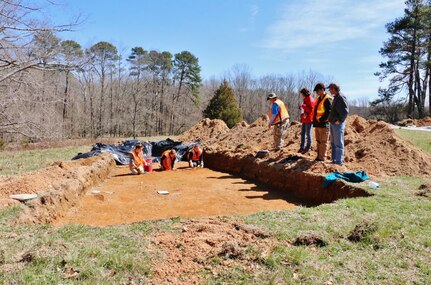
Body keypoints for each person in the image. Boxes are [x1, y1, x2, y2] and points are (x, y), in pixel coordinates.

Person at [328, 83, 349, 165]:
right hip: (333, 122)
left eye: (330, 89)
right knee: (333, 143)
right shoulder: (336, 97)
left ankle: (339, 161)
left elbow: (345, 111)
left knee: (338, 143)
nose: (329, 91)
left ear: (334, 89)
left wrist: (340, 120)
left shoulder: (340, 97)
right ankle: (334, 160)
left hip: (337, 123)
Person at [312, 83, 332, 161]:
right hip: (318, 124)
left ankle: (322, 157)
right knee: (318, 141)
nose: (316, 92)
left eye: (318, 90)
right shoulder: (318, 98)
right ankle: (319, 156)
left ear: (322, 90)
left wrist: (321, 119)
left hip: (324, 124)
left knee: (323, 141)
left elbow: (329, 112)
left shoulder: (327, 99)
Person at [298, 88, 315, 154]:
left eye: (302, 94)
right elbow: (305, 108)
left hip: (309, 119)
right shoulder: (305, 99)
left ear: (304, 93)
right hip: (304, 119)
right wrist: (301, 107)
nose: (302, 95)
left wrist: (303, 106)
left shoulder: (310, 99)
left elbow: (311, 110)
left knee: (308, 133)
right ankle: (302, 147)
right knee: (303, 133)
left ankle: (308, 147)